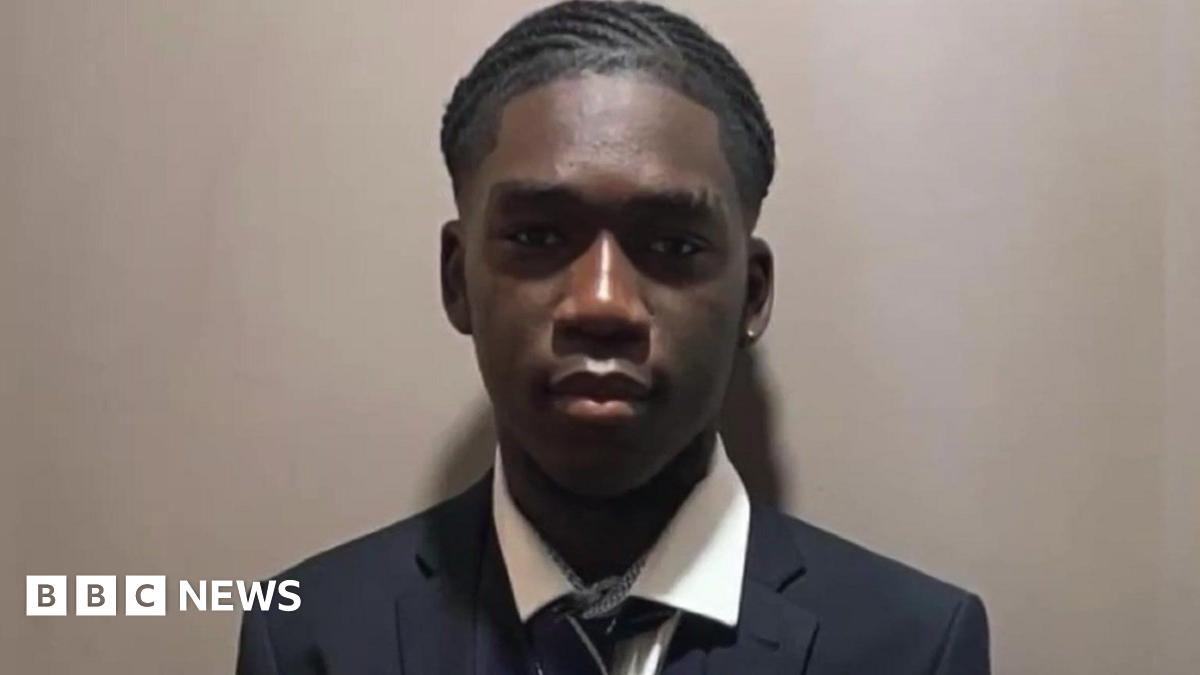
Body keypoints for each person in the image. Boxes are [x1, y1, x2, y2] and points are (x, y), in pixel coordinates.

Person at [235, 1, 990, 673]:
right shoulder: (313, 635)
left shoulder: (915, 646)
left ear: (752, 294)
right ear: (458, 280)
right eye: (537, 235)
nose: (603, 303)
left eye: (673, 246)